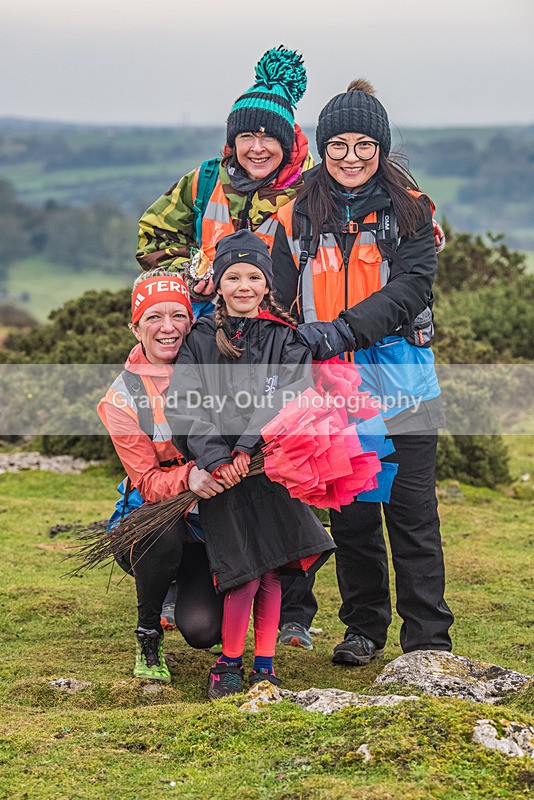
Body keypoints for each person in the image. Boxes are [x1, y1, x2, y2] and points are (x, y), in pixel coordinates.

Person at [272, 79, 454, 664]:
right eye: (339, 145)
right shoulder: (295, 213)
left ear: (381, 146)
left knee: (412, 518)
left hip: (404, 390)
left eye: (363, 144)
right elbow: (278, 298)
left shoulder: (411, 211)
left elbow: (411, 289)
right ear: (323, 149)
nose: (351, 156)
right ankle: (364, 629)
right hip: (333, 395)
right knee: (351, 518)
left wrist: (343, 331)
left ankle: (427, 642)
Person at [166, 230, 336, 699]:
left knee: (272, 568)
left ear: (267, 286)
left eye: (254, 276)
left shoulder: (286, 340)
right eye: (233, 276)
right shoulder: (200, 340)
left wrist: (247, 448)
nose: (244, 285)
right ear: (218, 285)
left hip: (270, 468)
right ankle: (230, 660)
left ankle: (265, 662)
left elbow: (290, 396)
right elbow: (184, 403)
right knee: (241, 568)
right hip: (221, 476)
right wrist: (220, 457)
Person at [97, 269, 226, 683]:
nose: (168, 328)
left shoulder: (213, 370)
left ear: (192, 320)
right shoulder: (122, 397)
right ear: (134, 327)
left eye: (178, 316)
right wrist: (190, 476)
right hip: (149, 524)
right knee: (162, 532)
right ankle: (148, 635)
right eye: (153, 317)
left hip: (207, 525)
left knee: (205, 631)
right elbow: (149, 483)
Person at [136, 46, 311, 314]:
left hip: (281, 332)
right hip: (208, 329)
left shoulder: (312, 191)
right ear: (232, 142)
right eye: (246, 137)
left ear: (286, 143)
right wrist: (189, 277)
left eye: (268, 137)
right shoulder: (204, 181)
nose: (257, 148)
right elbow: (154, 235)